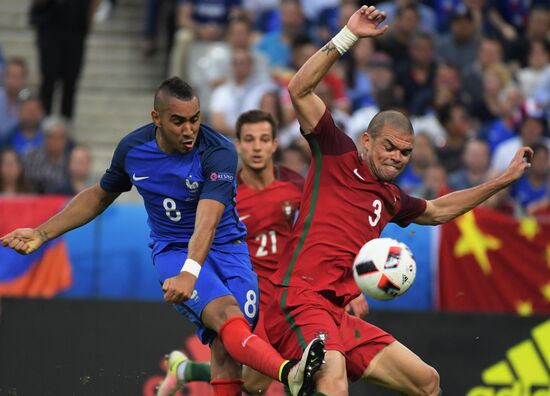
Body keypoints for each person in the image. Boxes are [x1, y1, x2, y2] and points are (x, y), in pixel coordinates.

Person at [263, 5, 533, 395]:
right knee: (332, 379)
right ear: (367, 141)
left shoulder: (391, 198)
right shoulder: (336, 152)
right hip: (299, 297)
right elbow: (298, 89)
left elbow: (439, 210)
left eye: (405, 153)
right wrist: (348, 36)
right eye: (389, 147)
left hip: (336, 311)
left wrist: (501, 180)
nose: (396, 157)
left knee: (426, 381)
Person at [0, 77, 324, 396]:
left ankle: (186, 370)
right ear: (156, 118)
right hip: (173, 252)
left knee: (230, 353)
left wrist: (191, 273)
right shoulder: (133, 149)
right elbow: (100, 195)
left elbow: (207, 222)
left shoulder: (219, 151)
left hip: (228, 251)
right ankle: (289, 373)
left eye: (195, 119)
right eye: (179, 121)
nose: (189, 130)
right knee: (227, 317)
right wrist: (43, 233)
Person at [158, 109, 310, 395]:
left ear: (274, 144)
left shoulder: (296, 187)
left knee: (309, 366)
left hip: (293, 292)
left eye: (264, 139)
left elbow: (318, 235)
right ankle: (185, 370)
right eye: (249, 140)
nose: (256, 147)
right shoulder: (224, 192)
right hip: (249, 293)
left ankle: (184, 370)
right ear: (237, 145)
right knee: (256, 380)